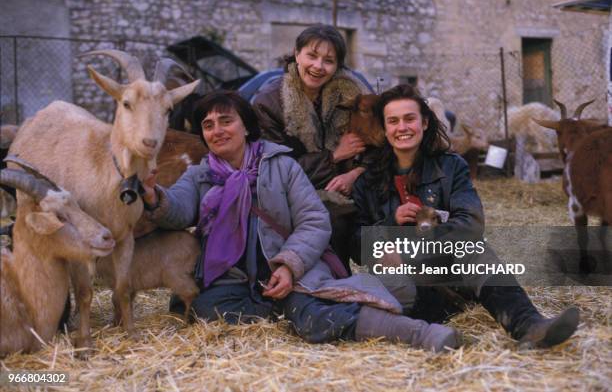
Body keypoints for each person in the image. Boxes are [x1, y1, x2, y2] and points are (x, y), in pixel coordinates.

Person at [141, 90, 460, 352]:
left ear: (246, 127)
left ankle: (420, 334)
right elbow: (179, 209)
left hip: (292, 270)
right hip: (233, 280)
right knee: (204, 310)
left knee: (313, 315)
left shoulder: (281, 166)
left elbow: (314, 220)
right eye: (208, 125)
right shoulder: (200, 175)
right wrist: (155, 196)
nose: (217, 130)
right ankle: (293, 311)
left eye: (226, 120)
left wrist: (289, 265)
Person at [351, 84, 580, 348]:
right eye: (393, 121)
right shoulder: (369, 181)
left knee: (474, 248)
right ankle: (434, 334)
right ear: (385, 128)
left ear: (424, 123)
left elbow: (470, 223)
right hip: (405, 288)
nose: (402, 127)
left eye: (409, 118)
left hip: (449, 277)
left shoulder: (451, 167)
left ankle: (528, 325)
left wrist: (412, 248)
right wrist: (391, 223)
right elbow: (356, 243)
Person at [252, 24, 372, 269]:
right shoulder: (269, 102)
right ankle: (335, 282)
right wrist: (334, 156)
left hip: (351, 187)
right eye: (312, 56)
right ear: (297, 54)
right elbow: (275, 171)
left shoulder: (351, 96)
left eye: (329, 60)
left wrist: (355, 173)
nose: (318, 66)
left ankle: (411, 284)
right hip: (292, 195)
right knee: (333, 218)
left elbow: (377, 146)